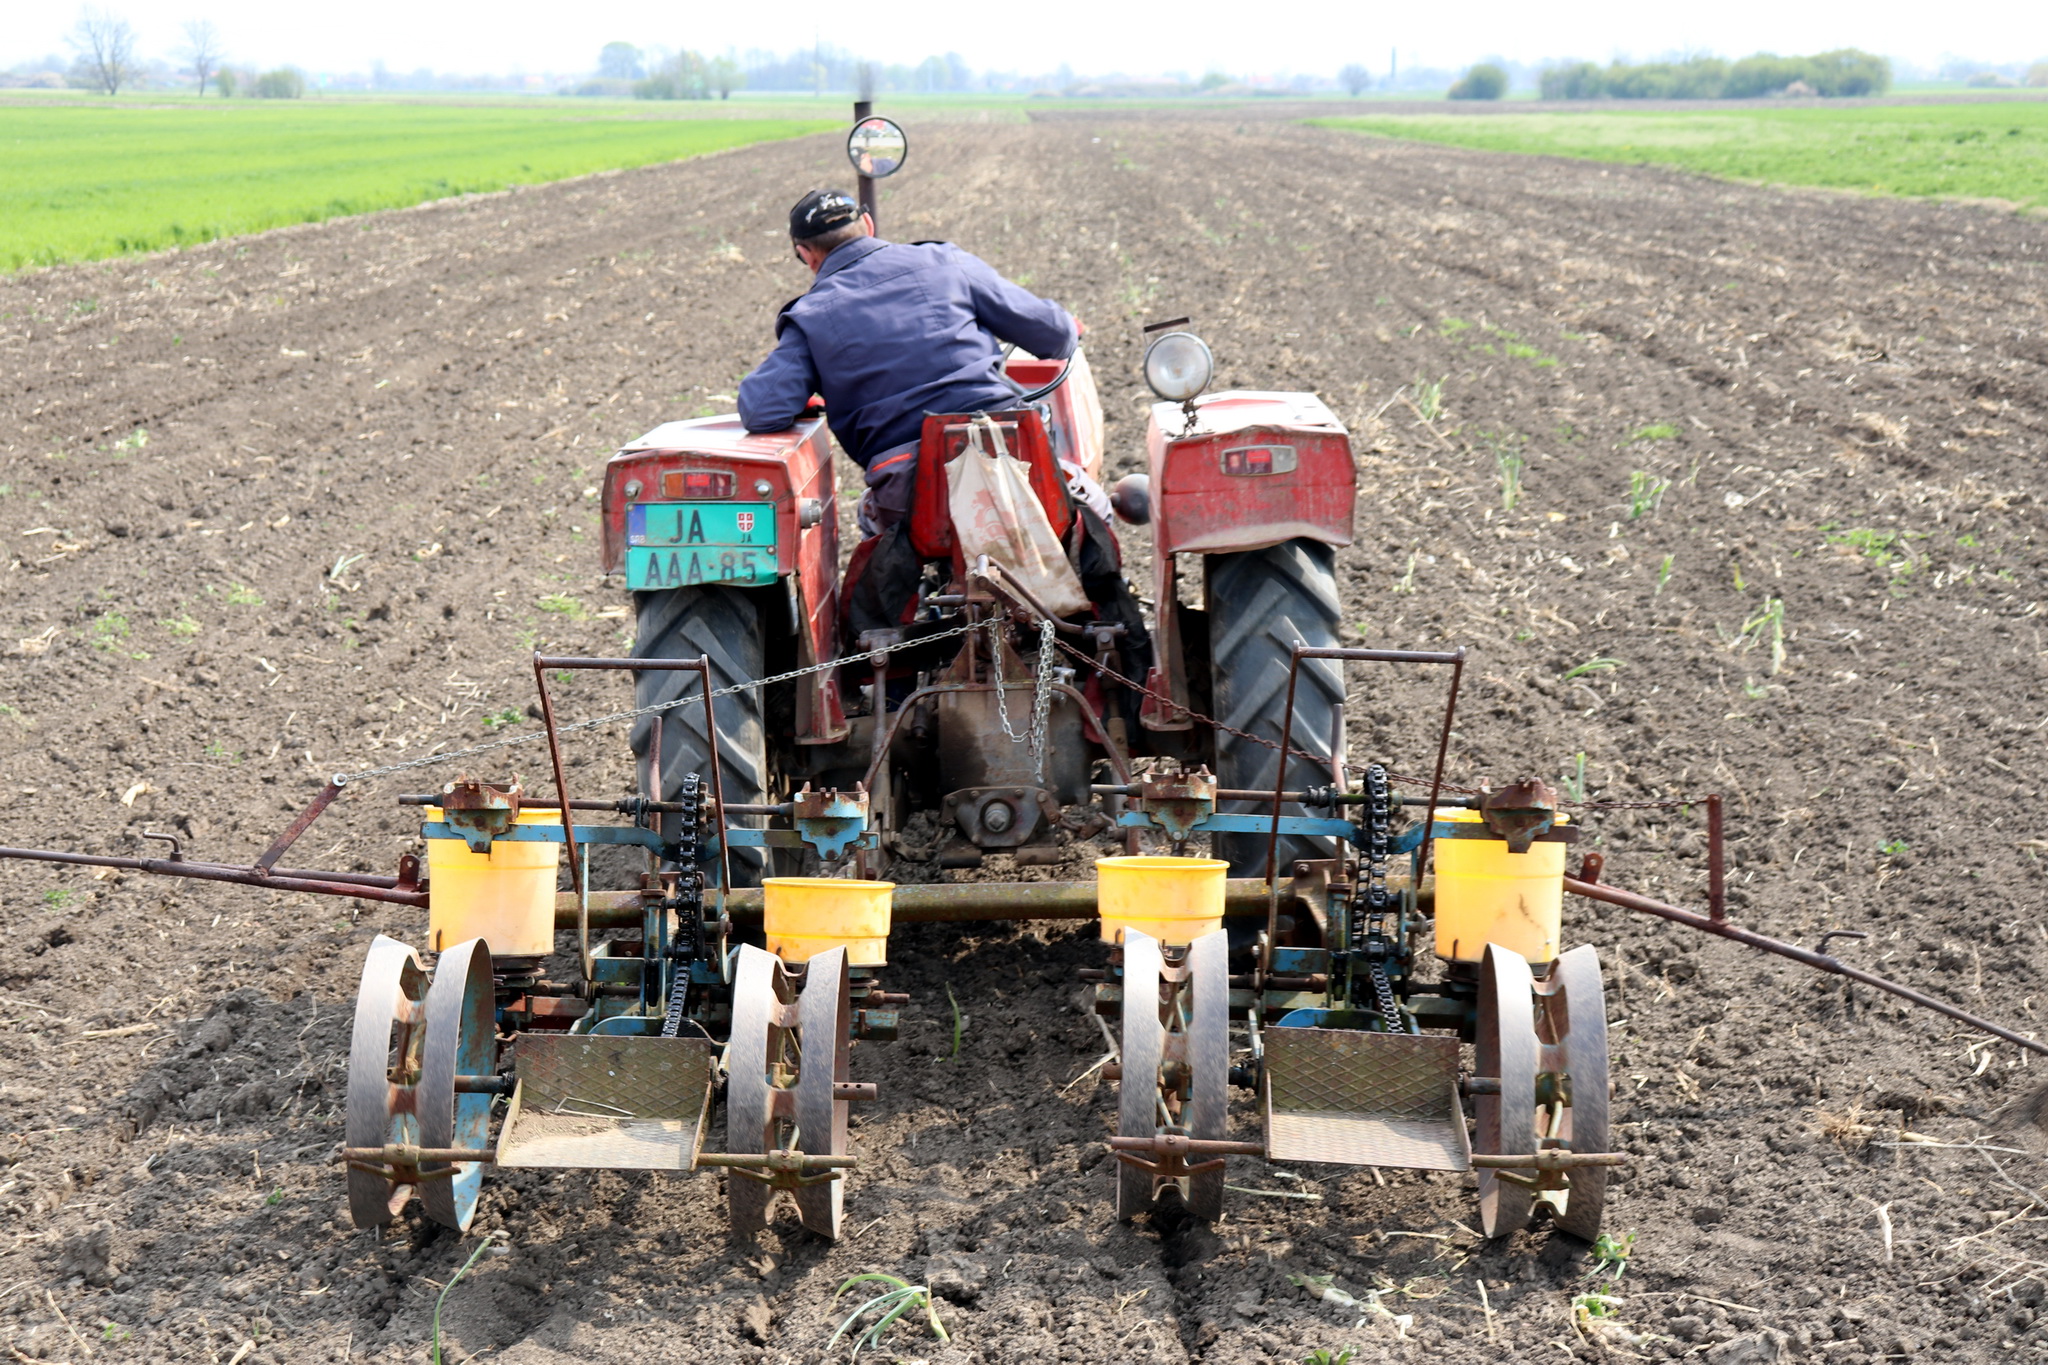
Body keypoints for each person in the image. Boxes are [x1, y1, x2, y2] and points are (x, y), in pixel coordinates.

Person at [737, 189, 1084, 541]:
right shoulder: (944, 261)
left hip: (906, 488)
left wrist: (804, 401)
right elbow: (1054, 336)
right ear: (868, 225)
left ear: (806, 255)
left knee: (878, 542)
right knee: (1088, 509)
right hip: (1013, 452)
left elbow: (761, 409)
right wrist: (1069, 327)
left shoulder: (809, 316)